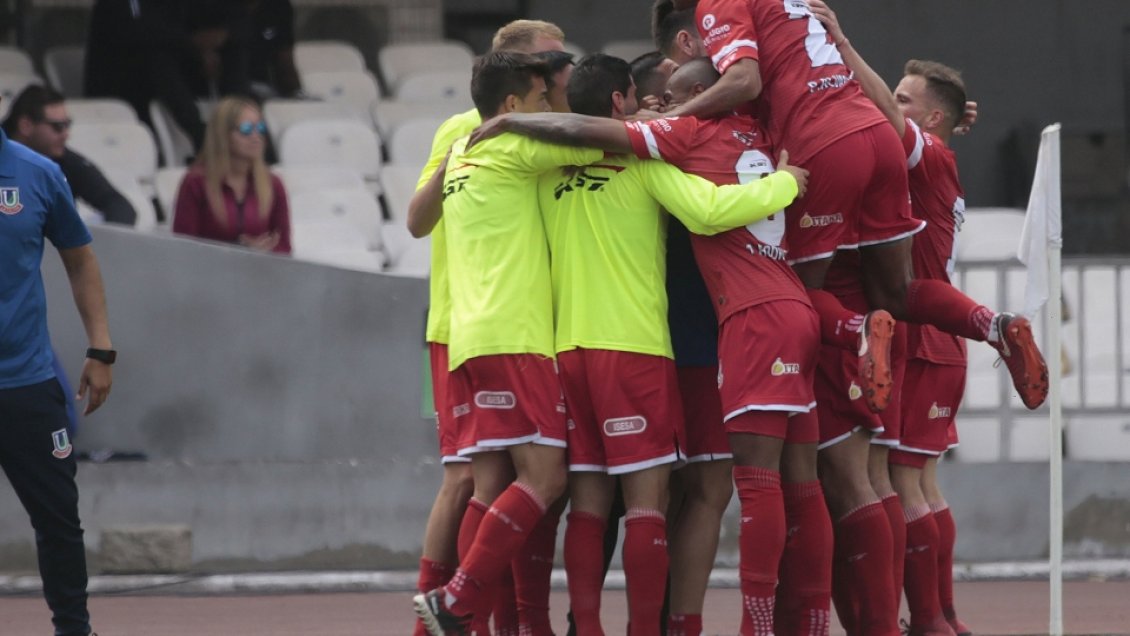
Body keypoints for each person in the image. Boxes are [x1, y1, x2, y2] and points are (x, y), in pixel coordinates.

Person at [467, 55, 827, 636]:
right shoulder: (641, 161)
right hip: (635, 347)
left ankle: (576, 626)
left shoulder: (542, 174)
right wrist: (787, 181)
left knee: (585, 500)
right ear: (619, 102)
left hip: (562, 349)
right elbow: (709, 212)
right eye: (639, 97)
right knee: (646, 503)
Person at [665, 0, 1048, 416]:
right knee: (897, 292)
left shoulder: (717, 3)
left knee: (800, 292)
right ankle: (995, 326)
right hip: (877, 137)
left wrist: (672, 117)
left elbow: (745, 80)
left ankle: (859, 331)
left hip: (823, 147)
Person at [411, 50, 602, 636]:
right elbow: (602, 141)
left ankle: (453, 622)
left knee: (485, 482)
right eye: (546, 95)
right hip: (515, 334)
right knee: (546, 479)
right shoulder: (516, 144)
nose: (554, 104)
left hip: (464, 336)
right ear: (514, 105)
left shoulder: (462, 148)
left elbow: (417, 219)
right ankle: (457, 602)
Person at [808, 3, 981, 633]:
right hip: (940, 332)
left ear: (932, 118)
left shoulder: (923, 149)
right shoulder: (939, 151)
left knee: (894, 484)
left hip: (916, 327)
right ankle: (941, 619)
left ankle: (926, 619)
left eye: (907, 99)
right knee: (920, 485)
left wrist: (842, 47)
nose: (893, 103)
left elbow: (881, 115)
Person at [0, 94, 115, 636]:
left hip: (25, 381)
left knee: (59, 522)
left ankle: (74, 629)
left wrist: (100, 348)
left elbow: (80, 257)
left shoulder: (38, 174)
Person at [2, 85, 138, 226]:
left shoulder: (63, 161)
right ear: (26, 126)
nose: (66, 134)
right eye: (58, 127)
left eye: (68, 125)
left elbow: (118, 205)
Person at [172, 96, 291, 254]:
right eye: (247, 129)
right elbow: (182, 249)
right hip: (209, 274)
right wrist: (241, 250)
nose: (256, 136)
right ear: (223, 135)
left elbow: (284, 247)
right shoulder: (195, 183)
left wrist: (264, 253)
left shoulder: (273, 184)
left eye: (261, 128)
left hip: (261, 274)